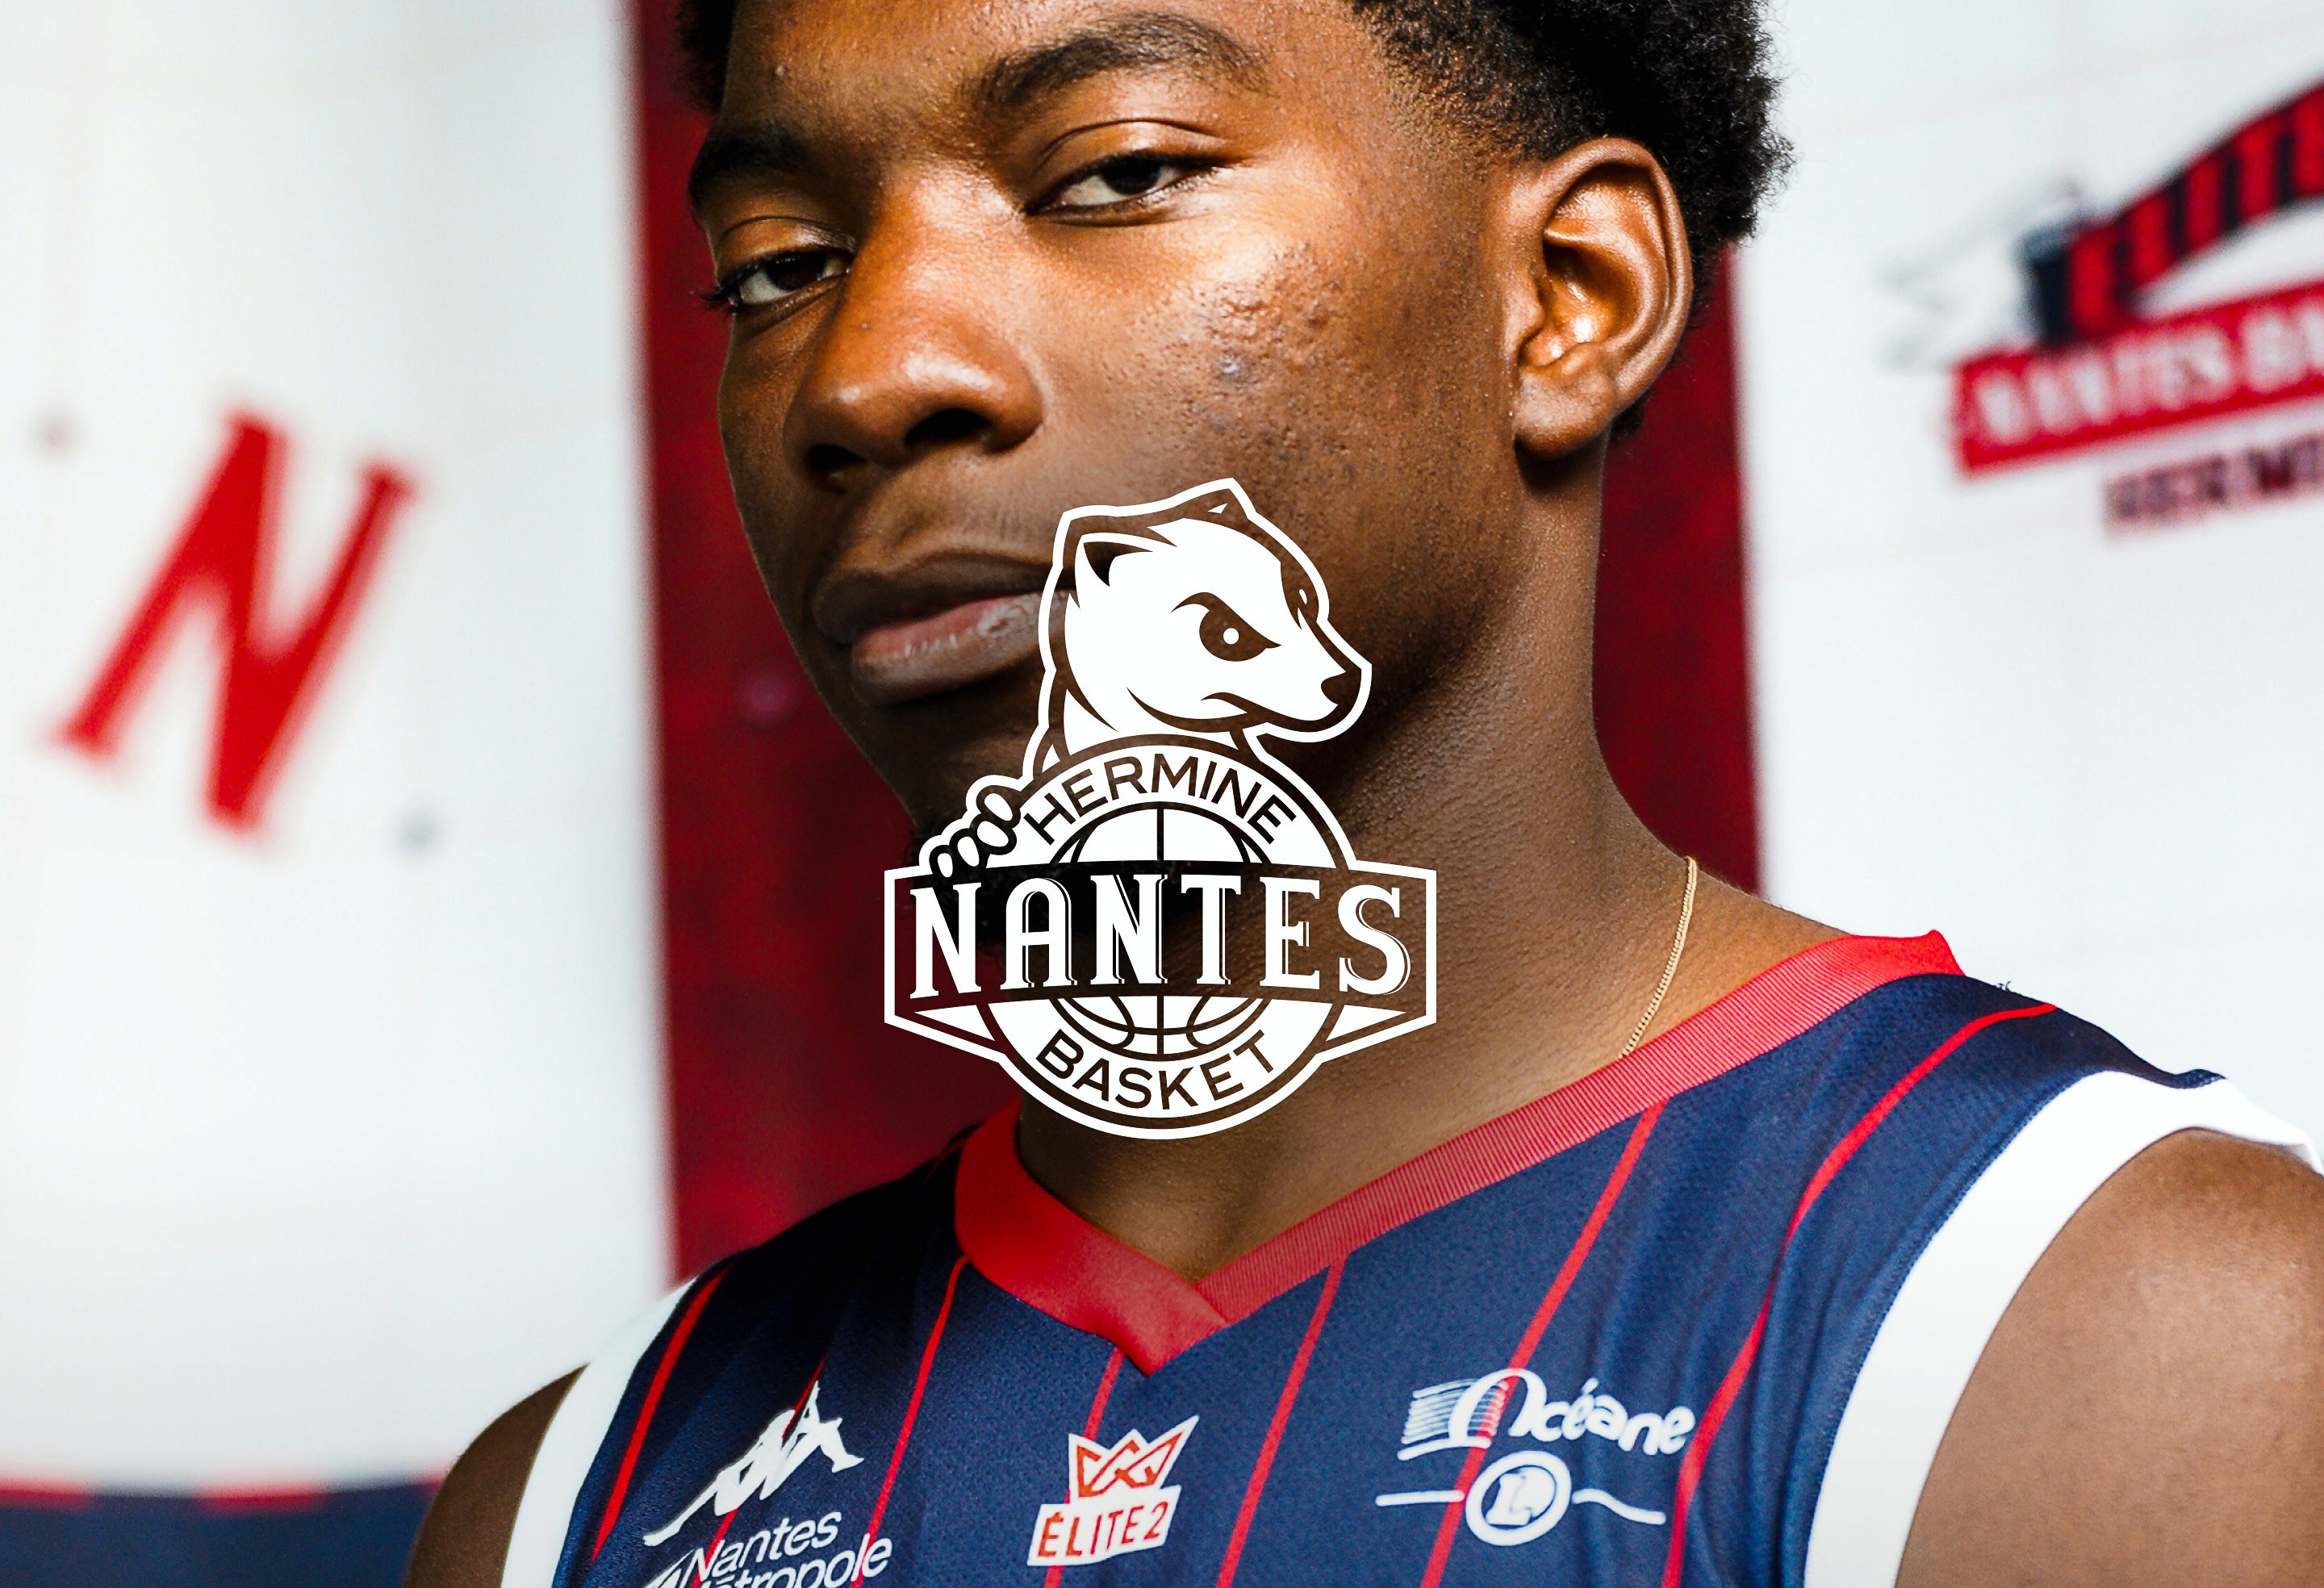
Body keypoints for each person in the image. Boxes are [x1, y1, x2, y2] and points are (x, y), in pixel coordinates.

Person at [407, 0, 2324, 1583]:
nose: (869, 371)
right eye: (779, 266)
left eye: (1117, 172)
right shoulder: (578, 1500)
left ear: (1569, 295)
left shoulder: (2093, 1319)